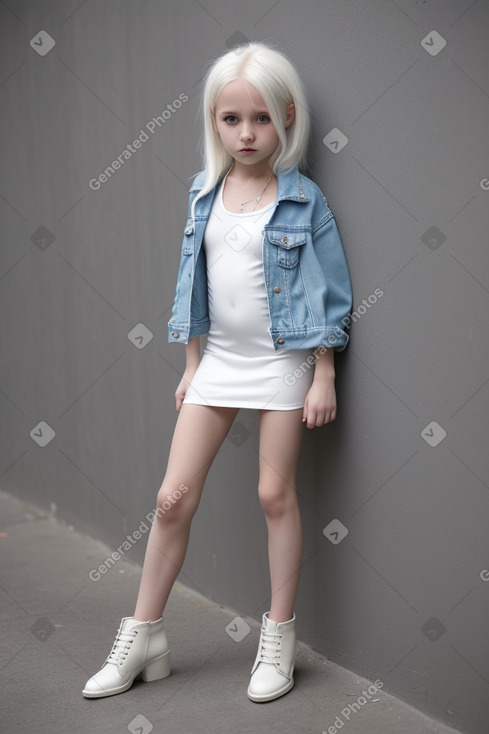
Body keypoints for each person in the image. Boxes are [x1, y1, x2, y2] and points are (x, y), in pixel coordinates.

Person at [83, 41, 353, 703]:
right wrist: (191, 362)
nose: (245, 133)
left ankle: (278, 640)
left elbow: (331, 292)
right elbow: (193, 285)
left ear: (286, 118)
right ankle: (144, 636)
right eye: (230, 119)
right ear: (213, 121)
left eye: (260, 118)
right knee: (171, 499)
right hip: (219, 363)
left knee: (272, 494)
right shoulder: (204, 192)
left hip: (285, 361)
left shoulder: (302, 200)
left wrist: (324, 374)